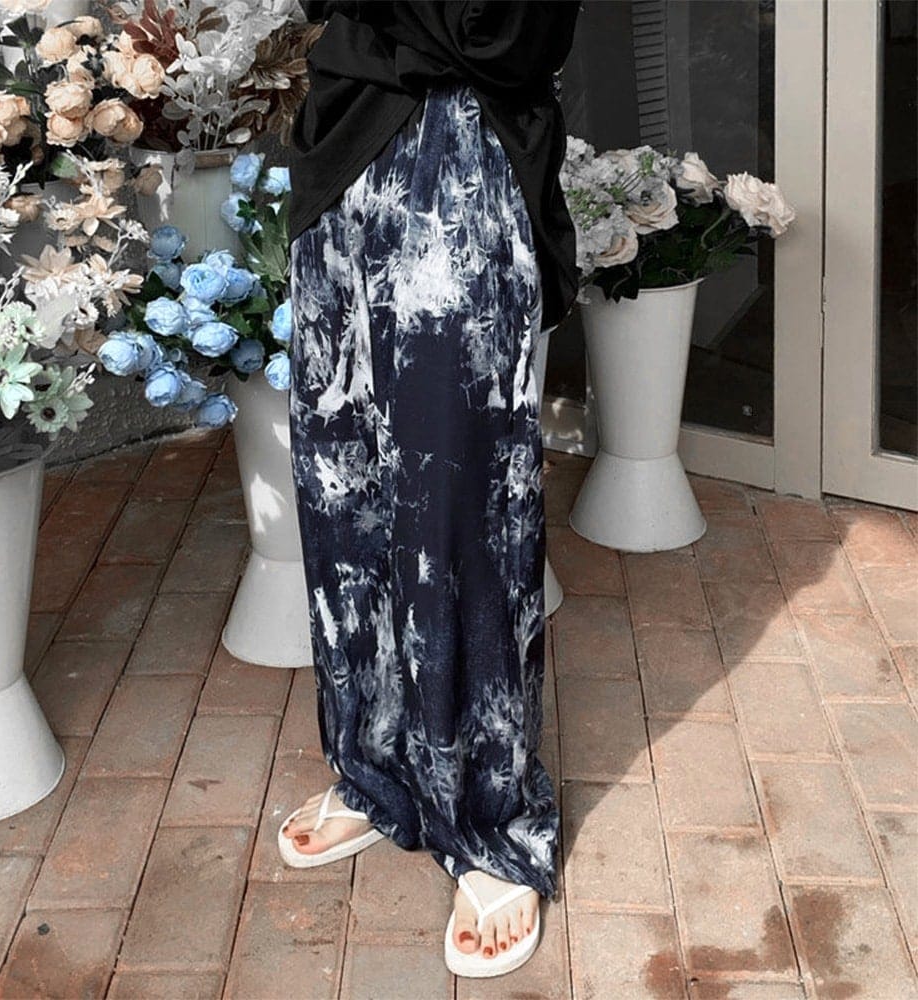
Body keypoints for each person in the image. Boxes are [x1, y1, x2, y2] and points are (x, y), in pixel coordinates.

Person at [278, 0, 581, 978]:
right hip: (341, 169)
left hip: (463, 169)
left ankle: (491, 819)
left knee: (460, 514)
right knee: (342, 496)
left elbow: (500, 31)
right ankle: (376, 768)